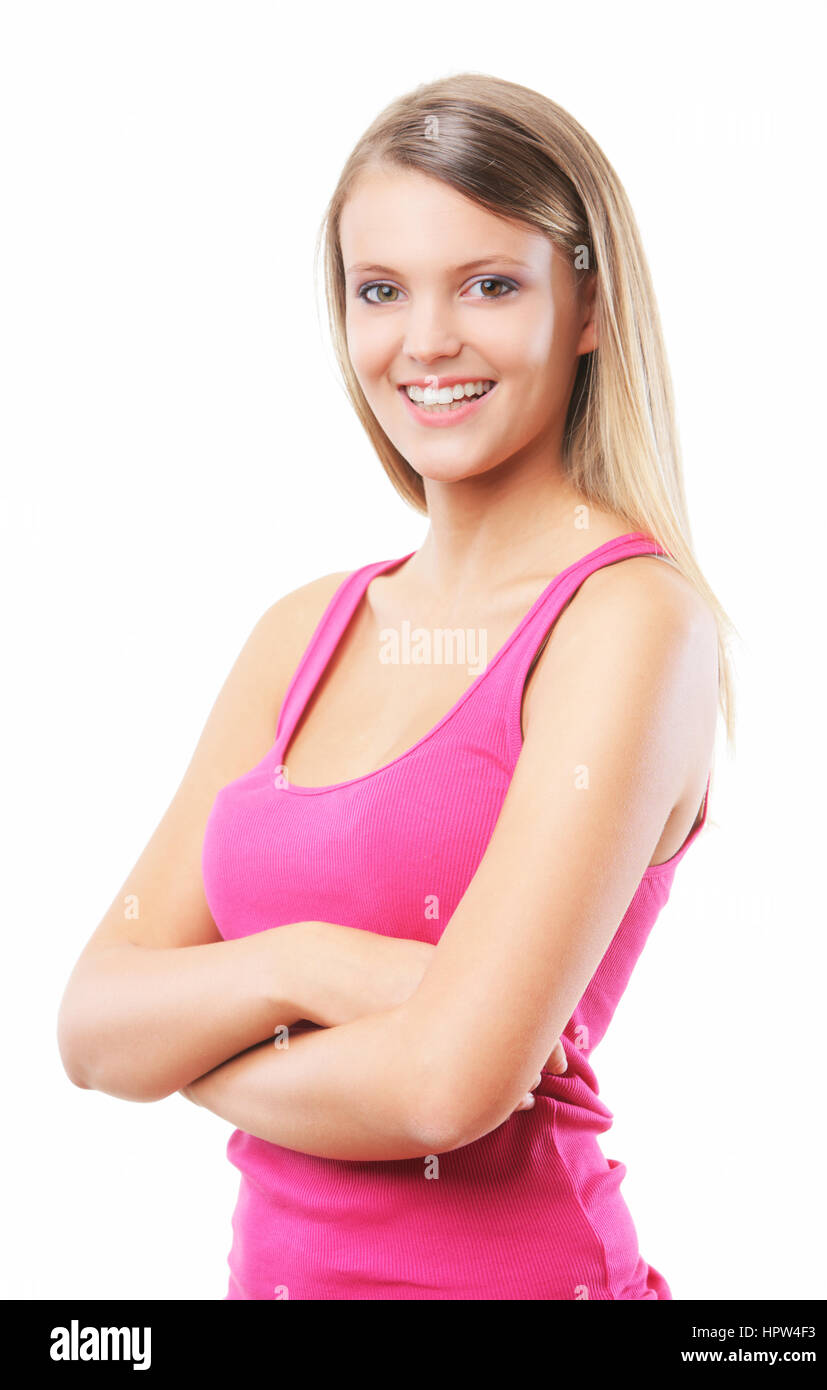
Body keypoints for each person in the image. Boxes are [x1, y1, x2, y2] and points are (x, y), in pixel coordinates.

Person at [57, 71, 736, 1300]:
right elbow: (95, 1022)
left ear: (585, 305)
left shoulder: (626, 622)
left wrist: (190, 1058)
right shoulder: (299, 632)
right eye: (381, 290)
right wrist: (307, 967)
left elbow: (443, 1088)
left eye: (487, 283)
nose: (424, 341)